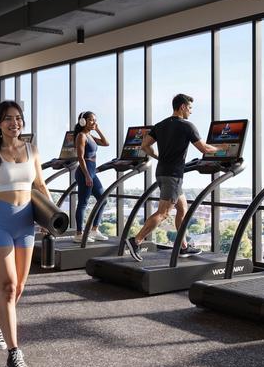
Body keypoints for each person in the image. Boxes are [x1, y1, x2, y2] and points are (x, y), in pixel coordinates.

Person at [0, 101, 52, 367]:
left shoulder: (32, 150)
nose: (14, 123)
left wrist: (52, 217)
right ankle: (14, 352)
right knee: (7, 286)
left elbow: (40, 186)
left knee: (18, 288)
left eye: (18, 118)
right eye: (8, 119)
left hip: (26, 222)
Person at [125, 94, 217, 262]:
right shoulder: (187, 126)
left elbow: (145, 146)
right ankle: (136, 240)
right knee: (164, 213)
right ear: (182, 107)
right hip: (173, 176)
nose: (190, 111)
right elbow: (204, 149)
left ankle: (183, 247)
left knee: (182, 209)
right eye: (189, 108)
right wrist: (221, 149)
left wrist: (158, 156)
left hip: (162, 172)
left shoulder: (160, 125)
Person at [72, 111, 111, 242]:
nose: (94, 122)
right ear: (83, 121)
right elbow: (80, 158)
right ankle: (79, 233)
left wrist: (98, 129)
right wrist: (87, 176)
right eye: (91, 120)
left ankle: (94, 230)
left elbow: (106, 143)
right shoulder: (81, 136)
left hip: (91, 172)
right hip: (85, 172)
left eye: (95, 120)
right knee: (83, 203)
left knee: (103, 200)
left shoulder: (90, 136)